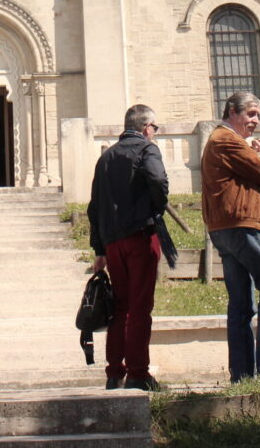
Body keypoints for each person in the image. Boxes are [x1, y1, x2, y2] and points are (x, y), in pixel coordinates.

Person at [201, 91, 260, 382]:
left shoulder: (222, 140)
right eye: (250, 114)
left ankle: (242, 375)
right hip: (245, 225)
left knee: (241, 305)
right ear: (232, 112)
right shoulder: (226, 139)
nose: (256, 121)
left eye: (257, 115)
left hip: (227, 228)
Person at [87, 103, 169, 392]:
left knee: (120, 307)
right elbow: (158, 180)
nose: (155, 133)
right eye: (155, 128)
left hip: (112, 243)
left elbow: (94, 207)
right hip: (140, 236)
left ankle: (114, 372)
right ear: (146, 127)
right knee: (139, 307)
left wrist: (99, 249)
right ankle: (137, 372)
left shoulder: (105, 157)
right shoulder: (147, 149)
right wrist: (156, 206)